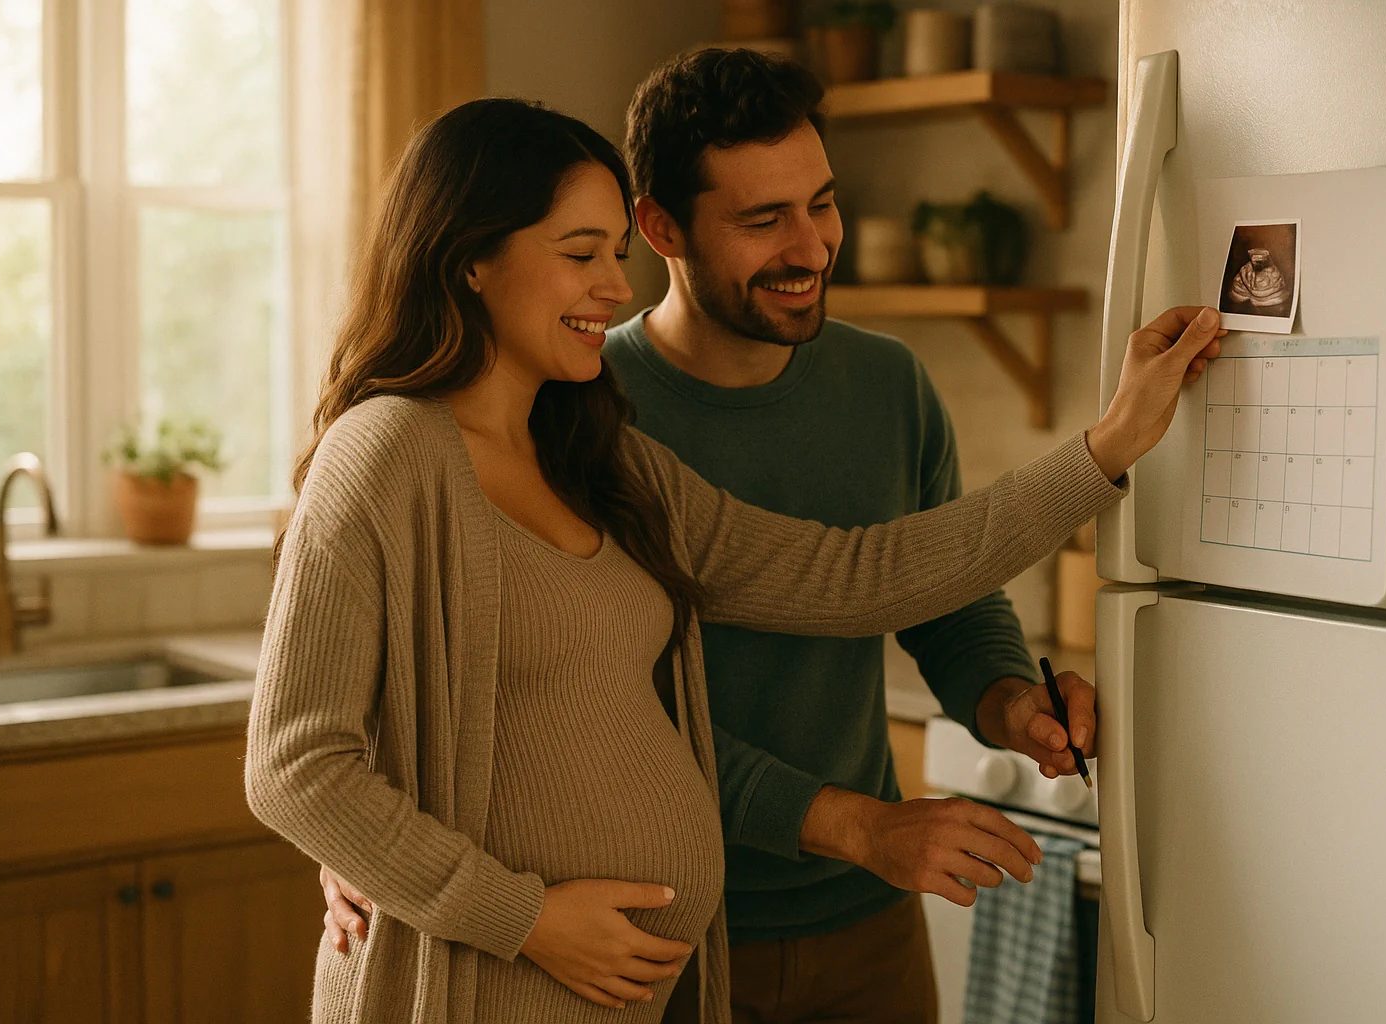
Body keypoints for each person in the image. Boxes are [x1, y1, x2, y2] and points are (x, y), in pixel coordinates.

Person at [246, 93, 1221, 1024]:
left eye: (613, 254)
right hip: (488, 983)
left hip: (639, 988)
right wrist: (525, 917)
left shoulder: (595, 451)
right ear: (469, 261)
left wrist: (1108, 448)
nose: (613, 287)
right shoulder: (387, 453)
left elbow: (857, 573)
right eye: (580, 252)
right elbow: (296, 765)